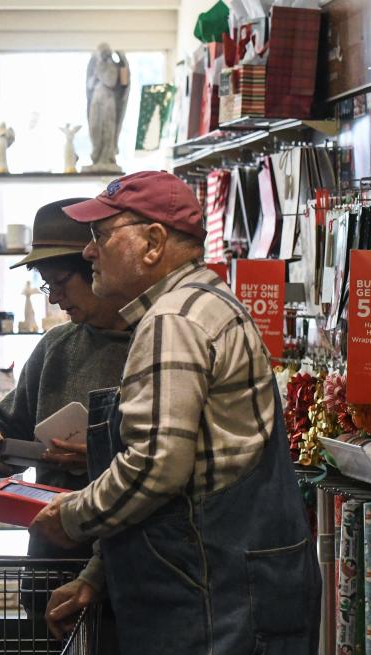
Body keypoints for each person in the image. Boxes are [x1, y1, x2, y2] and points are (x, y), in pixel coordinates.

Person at [29, 171, 321, 655]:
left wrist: (74, 516)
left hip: (211, 602)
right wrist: (97, 576)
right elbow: (187, 479)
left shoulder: (174, 321)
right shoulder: (203, 303)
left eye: (101, 235)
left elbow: (156, 465)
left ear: (153, 242)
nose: (88, 251)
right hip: (235, 591)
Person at [0, 197, 131, 571]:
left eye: (59, 282)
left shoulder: (153, 344)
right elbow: (9, 425)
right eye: (46, 286)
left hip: (126, 562)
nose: (54, 298)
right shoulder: (57, 346)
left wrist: (102, 455)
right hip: (51, 559)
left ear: (95, 265)